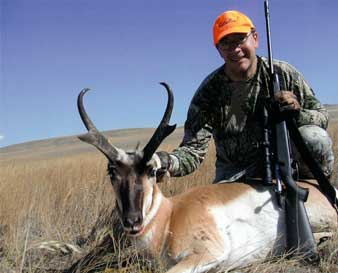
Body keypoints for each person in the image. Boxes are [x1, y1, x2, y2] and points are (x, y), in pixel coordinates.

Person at [154, 10, 334, 183]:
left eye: (240, 39)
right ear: (219, 50)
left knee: (314, 137)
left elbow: (322, 117)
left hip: (286, 165)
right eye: (226, 43)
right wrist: (165, 162)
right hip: (234, 176)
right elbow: (193, 152)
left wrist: (297, 114)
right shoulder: (208, 93)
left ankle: (322, 198)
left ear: (255, 39)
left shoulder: (283, 73)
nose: (235, 49)